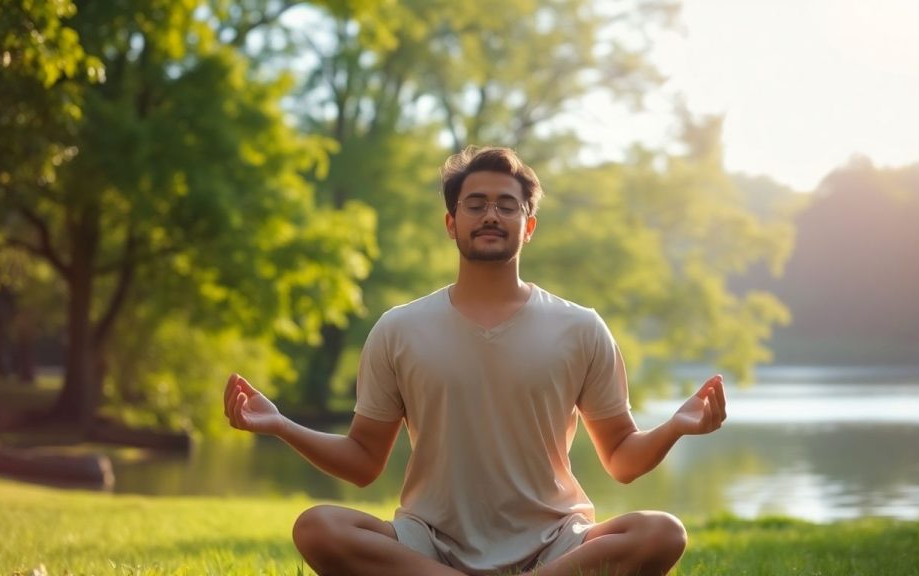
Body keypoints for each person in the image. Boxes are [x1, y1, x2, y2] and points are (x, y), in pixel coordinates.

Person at [223, 146, 727, 576]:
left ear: (528, 226)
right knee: (318, 527)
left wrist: (676, 427)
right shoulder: (399, 328)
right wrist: (282, 425)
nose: (491, 215)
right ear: (451, 222)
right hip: (431, 547)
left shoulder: (580, 327)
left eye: (507, 205)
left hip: (555, 546)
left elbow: (619, 457)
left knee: (662, 533)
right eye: (476, 204)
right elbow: (361, 462)